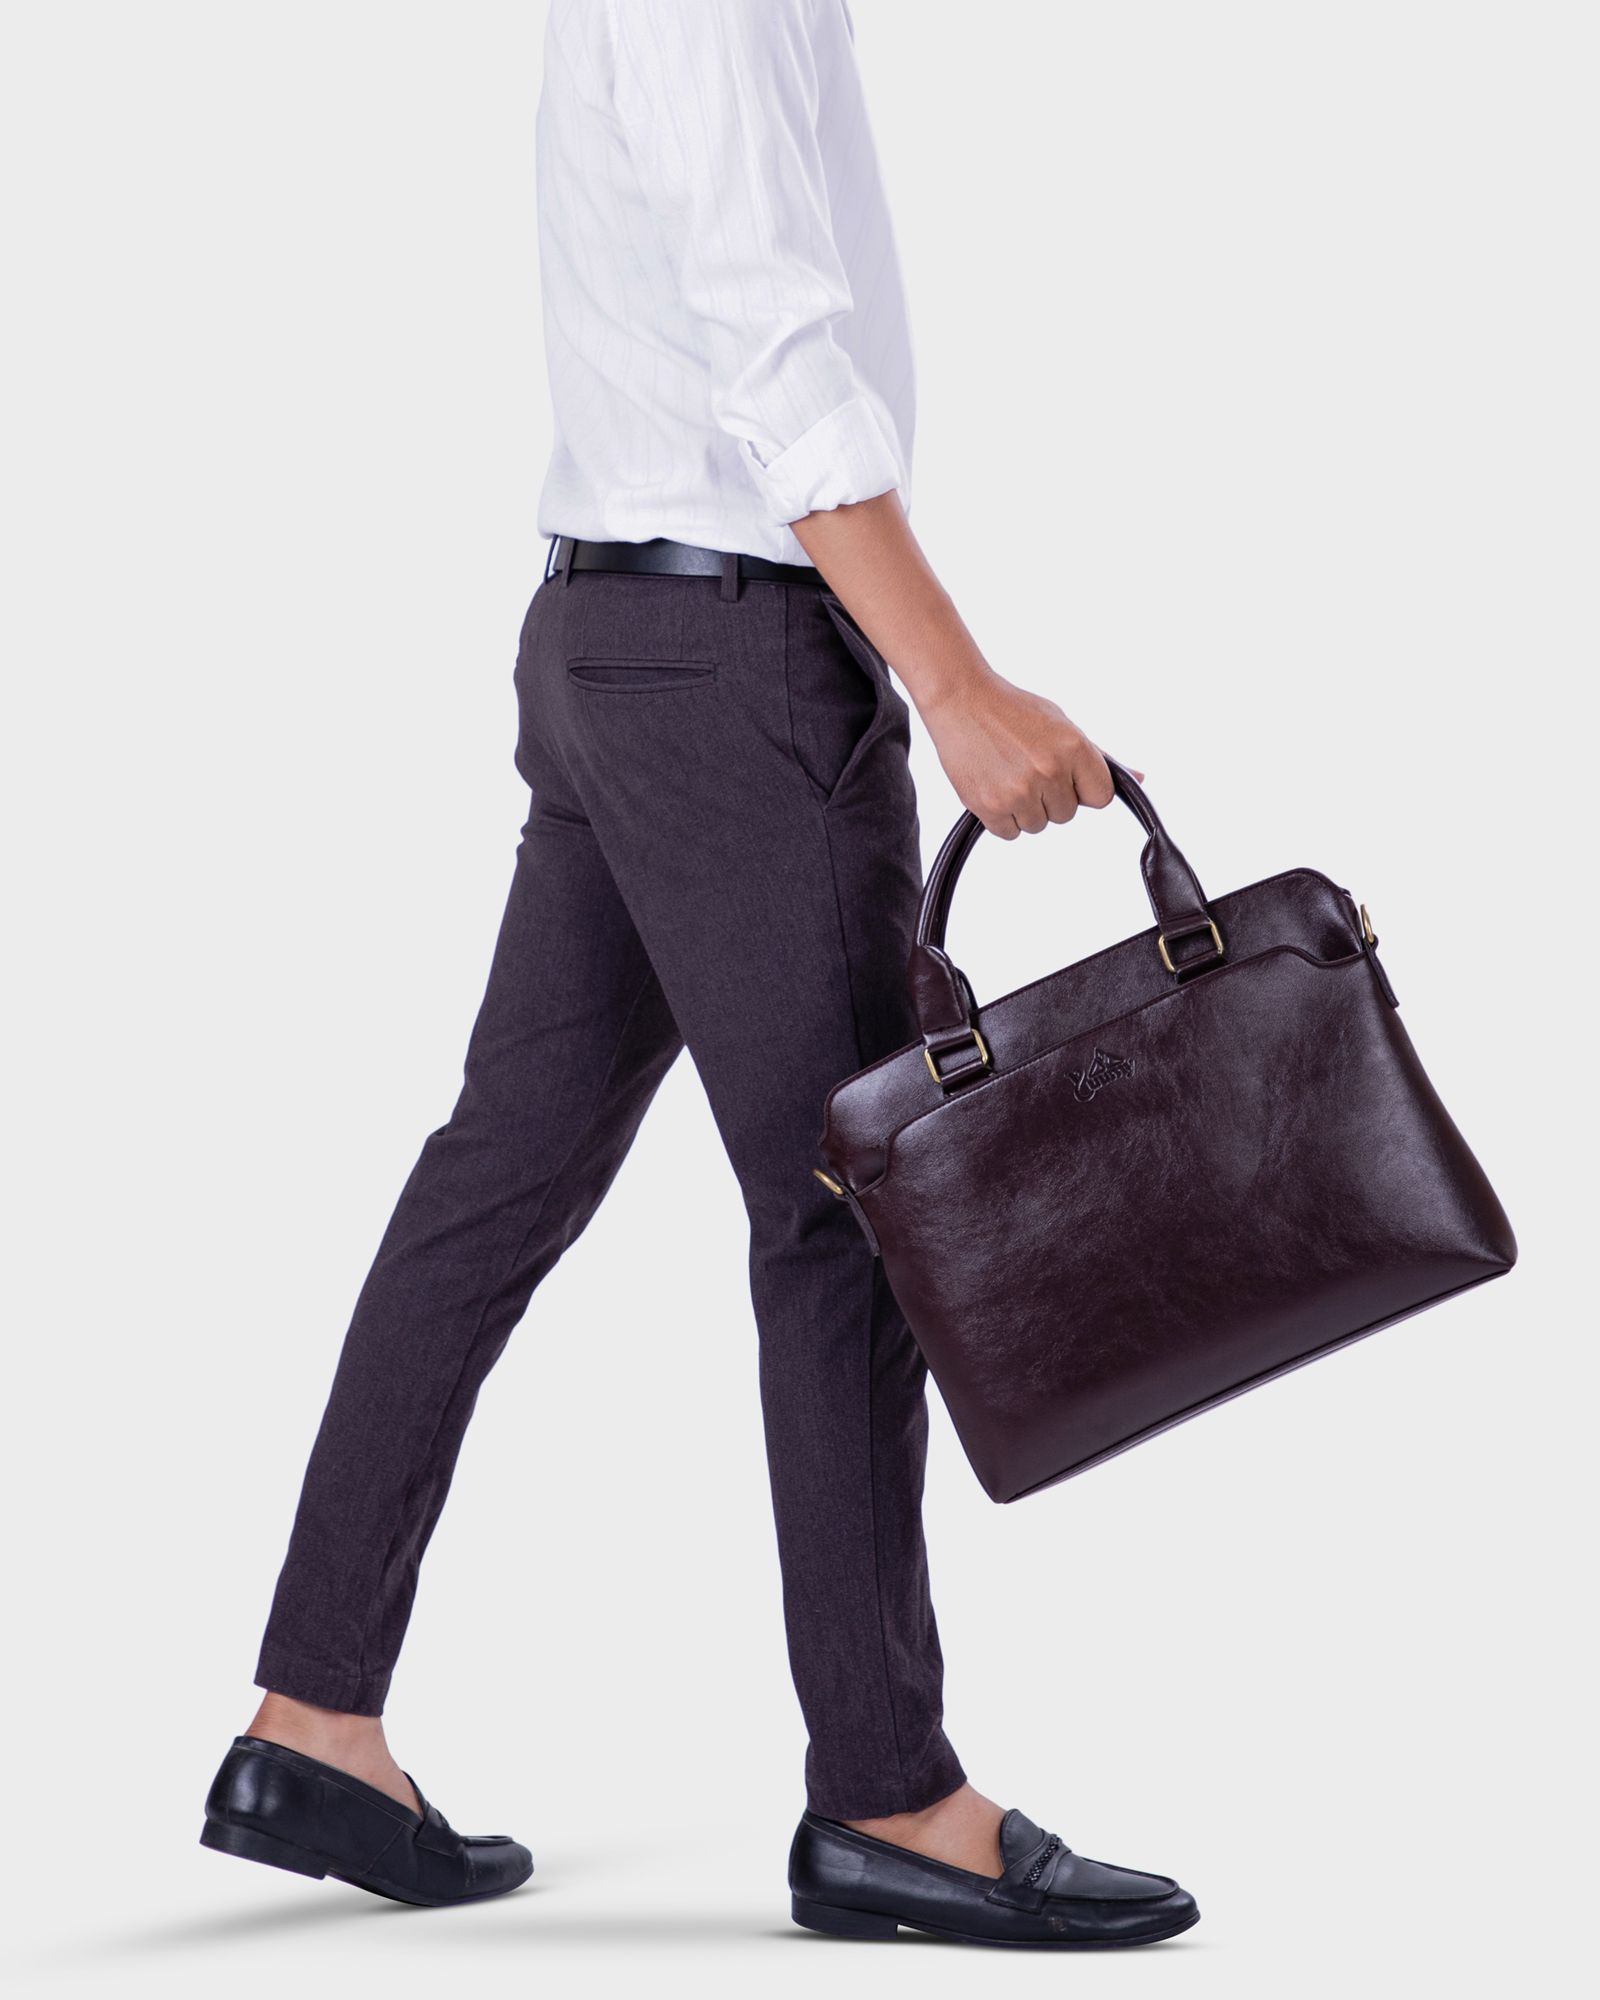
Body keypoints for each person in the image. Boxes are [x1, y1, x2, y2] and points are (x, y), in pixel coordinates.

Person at [200, 0, 1198, 1948]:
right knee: (846, 1207)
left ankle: (312, 1718)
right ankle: (891, 1798)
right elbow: (772, 346)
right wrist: (952, 681)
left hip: (617, 637)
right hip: (735, 663)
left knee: (495, 1174)